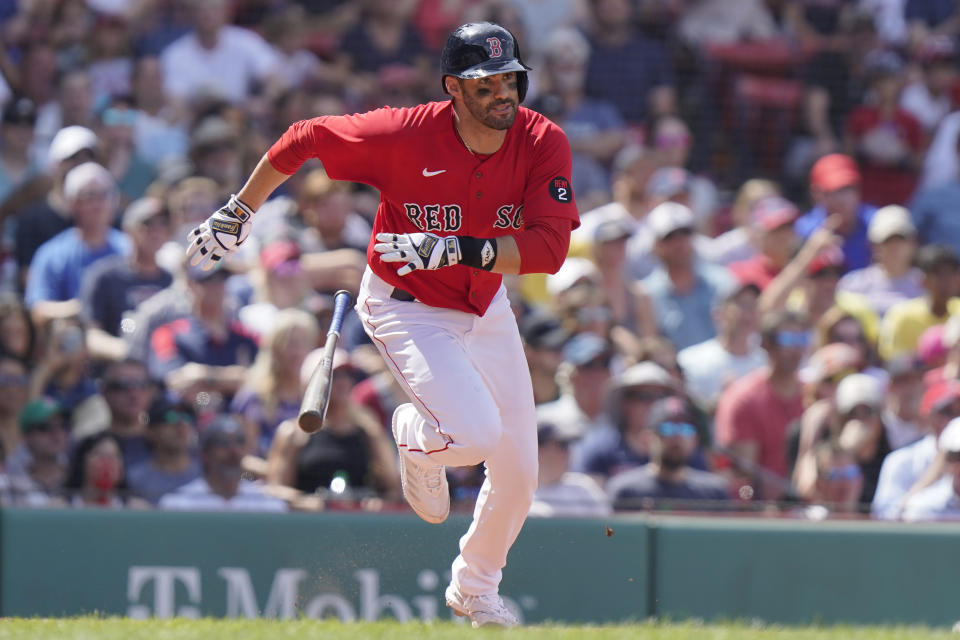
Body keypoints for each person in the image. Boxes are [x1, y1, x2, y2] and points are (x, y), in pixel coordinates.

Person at [184, 21, 578, 628]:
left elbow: (549, 250)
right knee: (472, 437)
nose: (503, 93)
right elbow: (304, 137)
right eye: (485, 84)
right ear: (453, 88)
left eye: (510, 79)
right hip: (405, 302)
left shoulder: (541, 139)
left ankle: (474, 587)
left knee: (520, 470)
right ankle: (415, 438)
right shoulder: (404, 133)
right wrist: (241, 209)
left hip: (484, 302)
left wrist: (455, 250)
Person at [714, 310, 809, 500]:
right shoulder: (743, 399)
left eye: (802, 339)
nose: (796, 348)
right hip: (762, 514)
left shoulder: (813, 395)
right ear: (766, 345)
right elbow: (745, 477)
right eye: (788, 340)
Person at [607, 396, 729, 511]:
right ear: (648, 438)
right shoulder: (625, 492)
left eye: (686, 429)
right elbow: (611, 532)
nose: (677, 436)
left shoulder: (714, 493)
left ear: (695, 439)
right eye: (667, 428)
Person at [158, 415, 287, 512]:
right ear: (205, 454)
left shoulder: (266, 505)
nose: (234, 451)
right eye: (223, 443)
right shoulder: (179, 504)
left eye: (240, 442)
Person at [872, 379, 960, 519]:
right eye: (947, 412)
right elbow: (883, 518)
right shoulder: (901, 460)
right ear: (927, 416)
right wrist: (933, 474)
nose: (956, 419)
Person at [677, 282, 767, 413]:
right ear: (718, 314)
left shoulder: (767, 363)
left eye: (753, 305)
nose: (749, 312)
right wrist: (720, 400)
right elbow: (687, 414)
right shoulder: (690, 361)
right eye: (742, 304)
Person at [836, 204, 924, 317]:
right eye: (887, 241)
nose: (894, 247)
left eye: (900, 240)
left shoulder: (927, 285)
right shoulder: (852, 286)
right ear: (873, 246)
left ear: (913, 243)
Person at [126, 397, 201, 506]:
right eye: (170, 418)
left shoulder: (207, 474)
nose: (181, 425)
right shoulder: (135, 478)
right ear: (150, 431)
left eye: (186, 417)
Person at [528, 422, 611, 518]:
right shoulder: (520, 488)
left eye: (568, 446)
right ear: (539, 450)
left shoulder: (582, 487)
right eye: (561, 446)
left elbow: (608, 526)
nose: (567, 453)